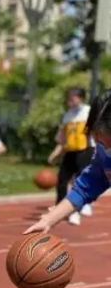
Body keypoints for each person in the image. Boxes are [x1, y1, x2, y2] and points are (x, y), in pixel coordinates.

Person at [26, 88, 111, 288]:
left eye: (105, 134)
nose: (100, 141)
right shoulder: (104, 151)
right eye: (97, 134)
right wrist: (48, 220)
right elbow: (87, 184)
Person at [47, 87, 94, 226]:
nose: (69, 101)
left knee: (80, 181)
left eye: (72, 98)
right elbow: (62, 139)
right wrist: (55, 154)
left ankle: (76, 211)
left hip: (85, 150)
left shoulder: (88, 112)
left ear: (80, 98)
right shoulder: (67, 116)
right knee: (62, 180)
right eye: (68, 98)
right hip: (70, 151)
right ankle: (59, 209)